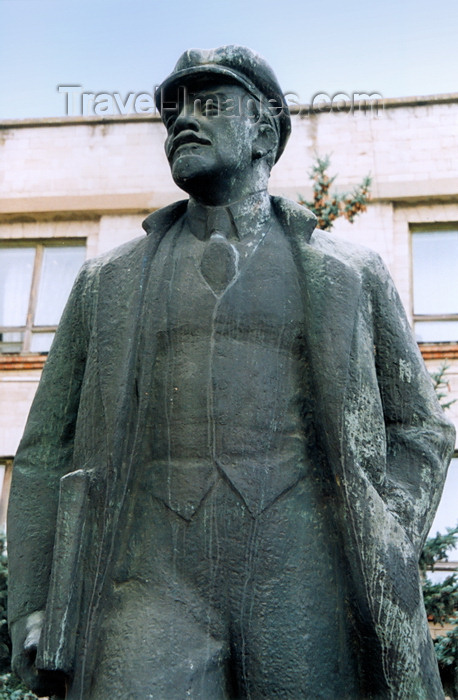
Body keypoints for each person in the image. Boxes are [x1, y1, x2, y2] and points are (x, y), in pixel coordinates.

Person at [8, 46, 455, 699]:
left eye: (209, 104)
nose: (182, 122)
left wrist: (382, 534)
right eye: (173, 113)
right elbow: (45, 452)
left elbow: (421, 427)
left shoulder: (348, 275)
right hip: (149, 582)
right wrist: (36, 605)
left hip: (304, 582)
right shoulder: (108, 282)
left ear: (265, 133)